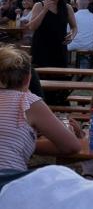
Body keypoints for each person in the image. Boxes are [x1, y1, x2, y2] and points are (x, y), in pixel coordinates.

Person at [0, 45, 84, 176]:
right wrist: (69, 131)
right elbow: (72, 147)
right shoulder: (27, 102)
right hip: (7, 182)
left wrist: (21, 145)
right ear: (29, 78)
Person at [27, 0, 77, 103]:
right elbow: (32, 26)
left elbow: (74, 27)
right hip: (41, 49)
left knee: (59, 83)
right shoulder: (38, 6)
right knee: (40, 84)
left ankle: (58, 108)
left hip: (59, 49)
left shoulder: (67, 7)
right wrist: (44, 10)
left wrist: (72, 35)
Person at [67, 0, 93, 67]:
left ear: (76, 5)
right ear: (88, 5)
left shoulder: (74, 16)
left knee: (62, 46)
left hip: (75, 45)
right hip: (90, 46)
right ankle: (83, 66)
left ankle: (64, 66)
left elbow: (67, 31)